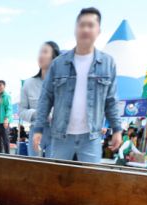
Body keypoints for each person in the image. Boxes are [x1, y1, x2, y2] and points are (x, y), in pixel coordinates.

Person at [32, 7, 122, 164]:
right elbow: (45, 98)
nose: (85, 29)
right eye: (82, 25)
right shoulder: (58, 64)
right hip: (61, 136)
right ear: (75, 29)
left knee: (91, 181)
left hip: (91, 138)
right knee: (57, 179)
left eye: (90, 25)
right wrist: (38, 128)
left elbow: (111, 100)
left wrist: (117, 129)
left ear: (98, 30)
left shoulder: (108, 64)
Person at [20, 41, 60, 157]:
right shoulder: (28, 83)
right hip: (34, 131)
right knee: (34, 168)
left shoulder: (61, 85)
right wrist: (37, 114)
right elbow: (21, 111)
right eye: (40, 52)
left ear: (54, 57)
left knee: (54, 169)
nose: (41, 56)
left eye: (45, 52)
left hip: (56, 134)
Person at [0, 80, 12, 154]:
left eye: (0, 85)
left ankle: (8, 156)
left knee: (5, 140)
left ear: (4, 86)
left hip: (3, 120)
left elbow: (9, 108)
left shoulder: (6, 96)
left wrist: (6, 119)